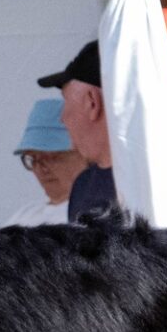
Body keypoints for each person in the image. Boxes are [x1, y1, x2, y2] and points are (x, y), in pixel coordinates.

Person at [37, 40, 117, 224]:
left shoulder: (146, 182)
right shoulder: (83, 185)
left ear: (92, 102)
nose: (62, 118)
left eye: (65, 101)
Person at [6, 99, 86, 226]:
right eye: (33, 159)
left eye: (52, 157)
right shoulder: (24, 216)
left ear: (85, 154)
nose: (41, 169)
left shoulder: (95, 215)